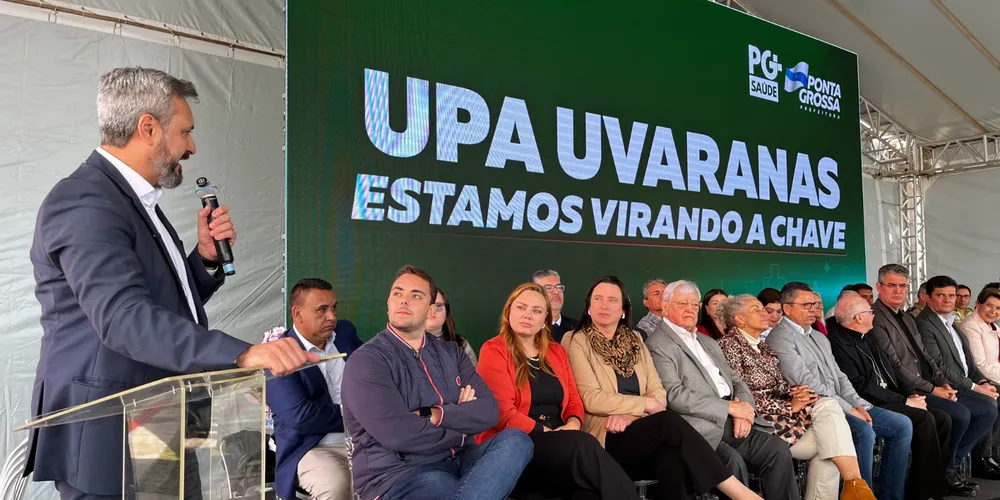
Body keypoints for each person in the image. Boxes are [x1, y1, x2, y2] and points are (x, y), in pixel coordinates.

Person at [25, 67, 314, 500]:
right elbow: (125, 318)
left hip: (161, 422)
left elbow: (161, 302)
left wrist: (203, 260)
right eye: (185, 132)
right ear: (148, 128)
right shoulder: (85, 202)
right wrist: (240, 353)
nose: (191, 147)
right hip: (112, 433)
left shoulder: (135, 202)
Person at [563, 276, 763, 500]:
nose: (604, 305)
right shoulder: (574, 340)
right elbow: (592, 398)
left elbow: (658, 391)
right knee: (669, 421)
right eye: (598, 299)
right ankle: (740, 493)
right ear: (589, 306)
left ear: (623, 310)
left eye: (612, 300)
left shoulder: (635, 339)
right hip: (607, 433)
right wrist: (645, 404)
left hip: (639, 427)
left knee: (674, 460)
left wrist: (631, 414)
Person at [341, 265, 532, 500]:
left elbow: (489, 412)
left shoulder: (453, 352)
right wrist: (460, 428)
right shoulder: (367, 359)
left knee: (517, 440)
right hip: (397, 475)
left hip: (461, 459)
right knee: (445, 486)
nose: (403, 301)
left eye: (416, 296)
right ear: (388, 302)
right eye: (397, 293)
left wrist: (436, 415)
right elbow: (398, 435)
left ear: (431, 309)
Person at [477, 283, 639, 499]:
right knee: (583, 444)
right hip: (520, 444)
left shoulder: (556, 351)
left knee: (589, 493)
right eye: (521, 308)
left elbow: (573, 399)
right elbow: (503, 414)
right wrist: (550, 433)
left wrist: (573, 423)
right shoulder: (493, 350)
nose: (527, 315)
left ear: (545, 320)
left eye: (536, 311)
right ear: (508, 312)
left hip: (562, 442)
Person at [646, 280, 799, 500]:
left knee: (776, 449)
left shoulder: (708, 342)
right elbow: (674, 395)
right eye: (682, 304)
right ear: (666, 305)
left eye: (694, 304)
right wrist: (728, 408)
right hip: (700, 427)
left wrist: (744, 411)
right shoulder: (658, 344)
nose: (690, 309)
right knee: (733, 463)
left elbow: (737, 381)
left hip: (733, 420)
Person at [717, 294, 876, 500]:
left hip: (785, 420)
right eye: (757, 309)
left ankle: (855, 487)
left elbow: (780, 386)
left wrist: (797, 393)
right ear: (739, 319)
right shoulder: (728, 346)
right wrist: (791, 406)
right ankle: (857, 487)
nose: (765, 312)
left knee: (830, 445)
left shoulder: (763, 347)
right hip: (761, 423)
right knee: (831, 432)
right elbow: (744, 394)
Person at [765, 282, 911, 497]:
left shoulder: (817, 336)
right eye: (805, 305)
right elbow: (805, 382)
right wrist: (848, 408)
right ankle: (862, 493)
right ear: (787, 308)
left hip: (843, 403)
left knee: (902, 425)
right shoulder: (779, 338)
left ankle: (891, 495)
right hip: (818, 408)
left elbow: (839, 376)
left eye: (814, 303)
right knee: (863, 431)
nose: (813, 309)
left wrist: (858, 404)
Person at [867, 264, 984, 494]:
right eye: (892, 285)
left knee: (955, 415)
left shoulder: (907, 317)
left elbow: (926, 357)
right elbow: (895, 364)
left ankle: (934, 480)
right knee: (950, 416)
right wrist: (932, 389)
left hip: (923, 385)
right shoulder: (876, 317)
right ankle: (928, 483)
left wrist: (943, 383)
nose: (899, 291)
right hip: (901, 389)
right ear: (879, 287)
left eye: (903, 285)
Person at [828, 292, 951, 500]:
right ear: (858, 317)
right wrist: (905, 401)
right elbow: (860, 385)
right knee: (923, 418)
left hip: (891, 395)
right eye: (870, 312)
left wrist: (911, 394)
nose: (873, 315)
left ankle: (927, 485)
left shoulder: (868, 336)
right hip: (870, 401)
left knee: (943, 418)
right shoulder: (839, 342)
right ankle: (911, 493)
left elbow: (892, 370)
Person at [267, 279, 364, 500]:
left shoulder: (345, 333)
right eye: (322, 310)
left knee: (399, 473)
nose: (332, 317)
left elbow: (370, 373)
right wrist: (359, 415)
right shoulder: (277, 355)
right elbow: (301, 417)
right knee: (336, 484)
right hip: (311, 448)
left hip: (362, 440)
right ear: (297, 314)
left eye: (333, 308)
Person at [915, 275, 1000, 480]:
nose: (948, 300)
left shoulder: (950, 322)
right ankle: (952, 466)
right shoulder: (925, 324)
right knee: (983, 409)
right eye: (941, 295)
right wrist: (975, 387)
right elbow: (939, 367)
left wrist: (982, 382)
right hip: (942, 386)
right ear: (928, 297)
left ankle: (955, 463)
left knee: (988, 406)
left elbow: (969, 364)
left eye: (951, 295)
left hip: (962, 383)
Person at [960, 288, 1000, 387]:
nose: (993, 311)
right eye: (989, 305)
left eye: (998, 308)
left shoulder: (993, 325)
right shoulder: (970, 326)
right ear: (978, 305)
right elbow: (979, 365)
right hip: (986, 382)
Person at [426, 288, 478, 365]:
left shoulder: (461, 344)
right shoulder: (404, 345)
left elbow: (472, 375)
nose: (433, 311)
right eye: (427, 306)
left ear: (446, 311)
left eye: (439, 306)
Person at [532, 269, 577, 343]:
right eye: (549, 288)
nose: (556, 292)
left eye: (559, 287)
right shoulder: (530, 328)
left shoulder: (577, 328)